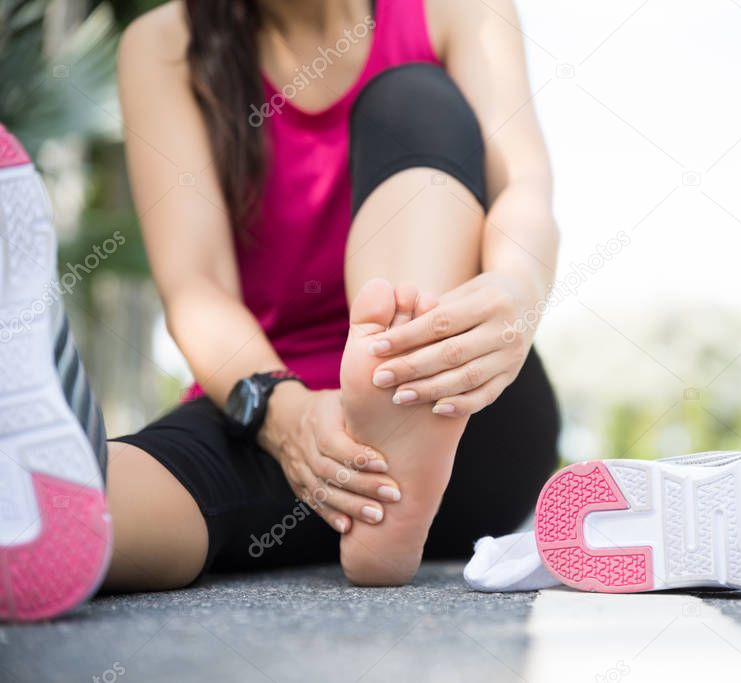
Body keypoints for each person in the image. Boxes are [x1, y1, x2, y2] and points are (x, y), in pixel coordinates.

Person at [0, 0, 560, 621]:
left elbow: (523, 189)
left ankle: (400, 398)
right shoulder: (163, 44)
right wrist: (284, 415)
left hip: (462, 403)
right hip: (275, 402)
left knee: (412, 98)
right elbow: (197, 287)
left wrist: (516, 289)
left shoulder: (457, 9)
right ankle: (16, 515)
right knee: (97, 493)